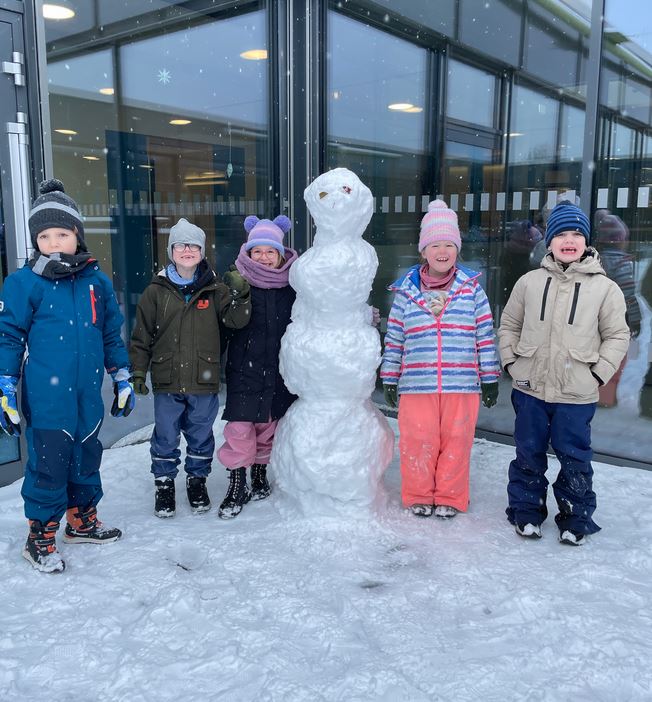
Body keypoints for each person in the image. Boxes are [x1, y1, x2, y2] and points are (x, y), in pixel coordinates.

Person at [0, 179, 135, 573]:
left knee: (87, 452)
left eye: (62, 234)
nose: (54, 243)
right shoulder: (24, 282)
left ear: (77, 234)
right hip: (47, 394)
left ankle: (81, 520)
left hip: (87, 391)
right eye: (44, 236)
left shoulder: (97, 282)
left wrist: (121, 376)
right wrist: (6, 384)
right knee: (49, 460)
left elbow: (110, 334)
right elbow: (9, 336)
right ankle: (40, 534)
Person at [498, 201, 630, 545]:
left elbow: (618, 335)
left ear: (586, 241)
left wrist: (597, 375)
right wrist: (511, 363)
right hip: (530, 388)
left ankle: (576, 518)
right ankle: (526, 512)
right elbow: (509, 325)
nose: (568, 241)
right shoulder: (529, 283)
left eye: (576, 234)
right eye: (561, 234)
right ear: (549, 241)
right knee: (528, 454)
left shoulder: (605, 289)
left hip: (576, 392)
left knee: (575, 458)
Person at [380, 200, 500, 519]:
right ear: (424, 250)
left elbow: (485, 336)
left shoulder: (472, 290)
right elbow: (395, 338)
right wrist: (389, 377)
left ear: (457, 249)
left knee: (457, 441)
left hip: (462, 383)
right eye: (435, 244)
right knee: (418, 440)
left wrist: (489, 377)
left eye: (449, 244)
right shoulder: (406, 292)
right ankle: (419, 494)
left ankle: (450, 496)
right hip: (417, 383)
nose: (442, 251)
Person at [129, 218, 251, 518]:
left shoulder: (215, 289)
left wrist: (241, 293)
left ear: (202, 251)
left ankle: (197, 481)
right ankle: (164, 484)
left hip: (202, 378)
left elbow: (236, 320)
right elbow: (142, 336)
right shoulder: (155, 292)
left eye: (194, 246)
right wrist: (138, 371)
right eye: (181, 245)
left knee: (200, 434)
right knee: (165, 434)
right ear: (171, 251)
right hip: (167, 378)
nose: (187, 251)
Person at [216, 215, 298, 518]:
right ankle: (237, 483)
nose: (263, 257)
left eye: (270, 251)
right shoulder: (235, 282)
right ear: (248, 253)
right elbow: (222, 325)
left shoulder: (292, 286)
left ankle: (259, 474)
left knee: (267, 427)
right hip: (243, 369)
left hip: (278, 370)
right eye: (257, 251)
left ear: (280, 254)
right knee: (239, 429)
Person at [593, 214, 641, 407]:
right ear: (621, 241)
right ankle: (605, 397)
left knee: (597, 355)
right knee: (615, 358)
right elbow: (629, 294)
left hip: (596, 318)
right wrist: (635, 319)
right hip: (618, 319)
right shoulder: (623, 264)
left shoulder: (595, 261)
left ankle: (594, 391)